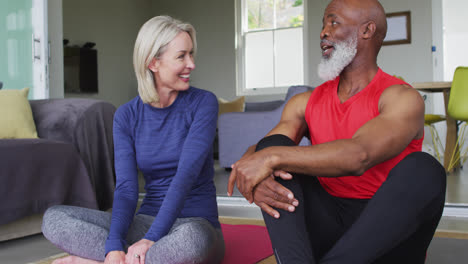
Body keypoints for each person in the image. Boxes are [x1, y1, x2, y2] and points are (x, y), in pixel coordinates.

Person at [227, 0, 446, 263]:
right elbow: (266, 147)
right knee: (272, 151)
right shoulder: (305, 102)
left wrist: (268, 158)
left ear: (366, 30)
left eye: (334, 22)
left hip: (389, 234)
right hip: (329, 224)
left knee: (426, 169)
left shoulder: (402, 98)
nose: (323, 32)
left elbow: (359, 155)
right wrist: (256, 169)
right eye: (323, 24)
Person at [42, 15, 225, 264]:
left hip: (194, 223)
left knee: (191, 243)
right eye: (182, 56)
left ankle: (96, 261)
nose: (191, 64)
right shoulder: (127, 115)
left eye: (191, 54)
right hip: (143, 222)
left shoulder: (203, 103)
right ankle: (121, 258)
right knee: (53, 218)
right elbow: (127, 188)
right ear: (153, 63)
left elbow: (185, 176)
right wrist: (114, 244)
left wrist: (151, 239)